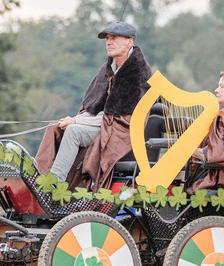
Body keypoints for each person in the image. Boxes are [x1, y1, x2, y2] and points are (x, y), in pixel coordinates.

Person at [34, 21, 153, 189]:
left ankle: (54, 185)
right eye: (107, 39)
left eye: (114, 38)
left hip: (120, 132)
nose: (109, 42)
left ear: (129, 41)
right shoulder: (109, 68)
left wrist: (76, 122)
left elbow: (115, 117)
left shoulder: (138, 73)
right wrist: (75, 118)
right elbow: (94, 106)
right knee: (55, 127)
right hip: (103, 125)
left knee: (73, 131)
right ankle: (40, 177)